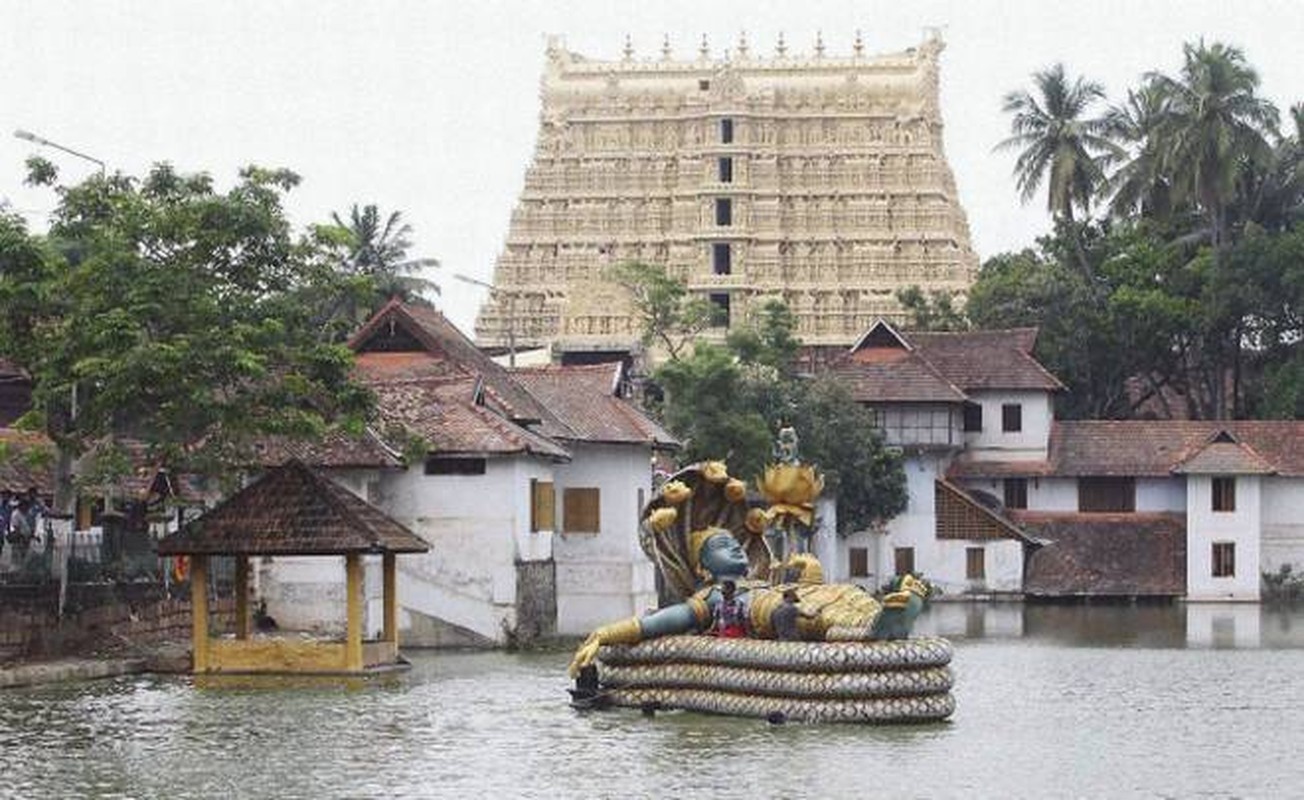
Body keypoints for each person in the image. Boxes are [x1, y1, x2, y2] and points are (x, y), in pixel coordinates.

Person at [569, 462, 931, 676]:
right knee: (804, 614)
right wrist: (603, 635)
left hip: (777, 593)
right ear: (703, 566)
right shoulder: (708, 596)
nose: (737, 550)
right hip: (764, 613)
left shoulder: (758, 575)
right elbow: (661, 622)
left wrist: (804, 569)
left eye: (736, 543)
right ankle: (872, 630)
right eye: (724, 547)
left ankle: (885, 616)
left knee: (844, 592)